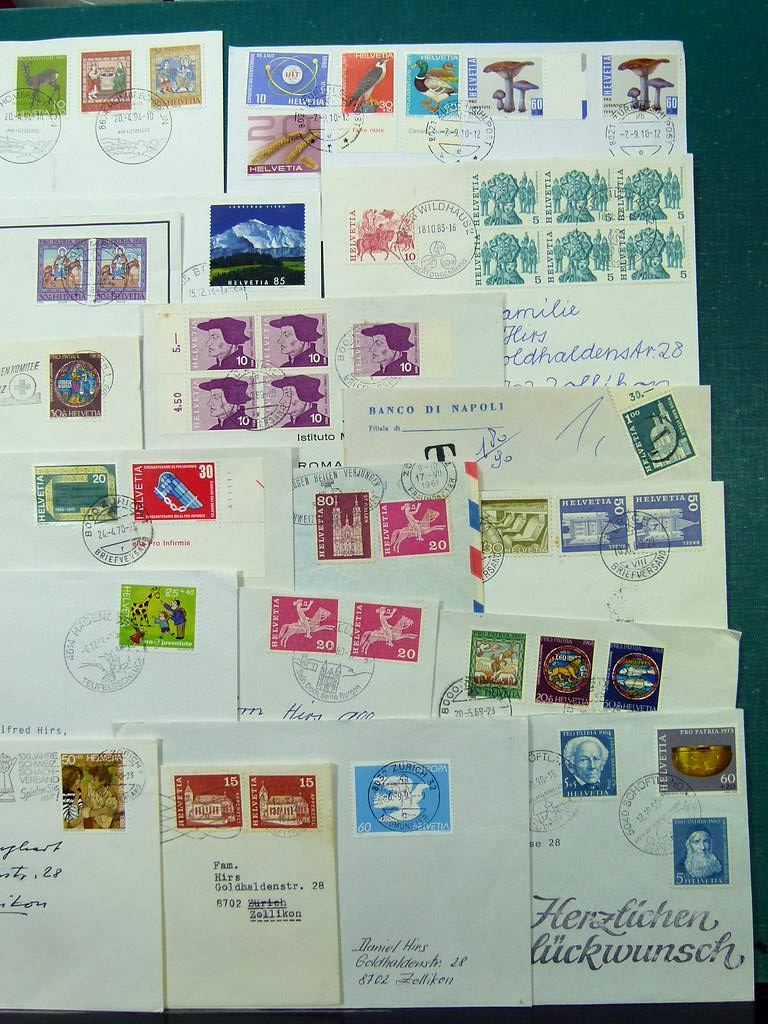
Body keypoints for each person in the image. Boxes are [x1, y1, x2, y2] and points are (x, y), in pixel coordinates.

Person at [82, 764, 119, 829]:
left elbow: (108, 815)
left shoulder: (110, 794)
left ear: (102, 782)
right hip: (93, 822)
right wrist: (102, 810)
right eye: (91, 779)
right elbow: (84, 811)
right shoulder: (91, 787)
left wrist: (93, 811)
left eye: (94, 780)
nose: (91, 782)